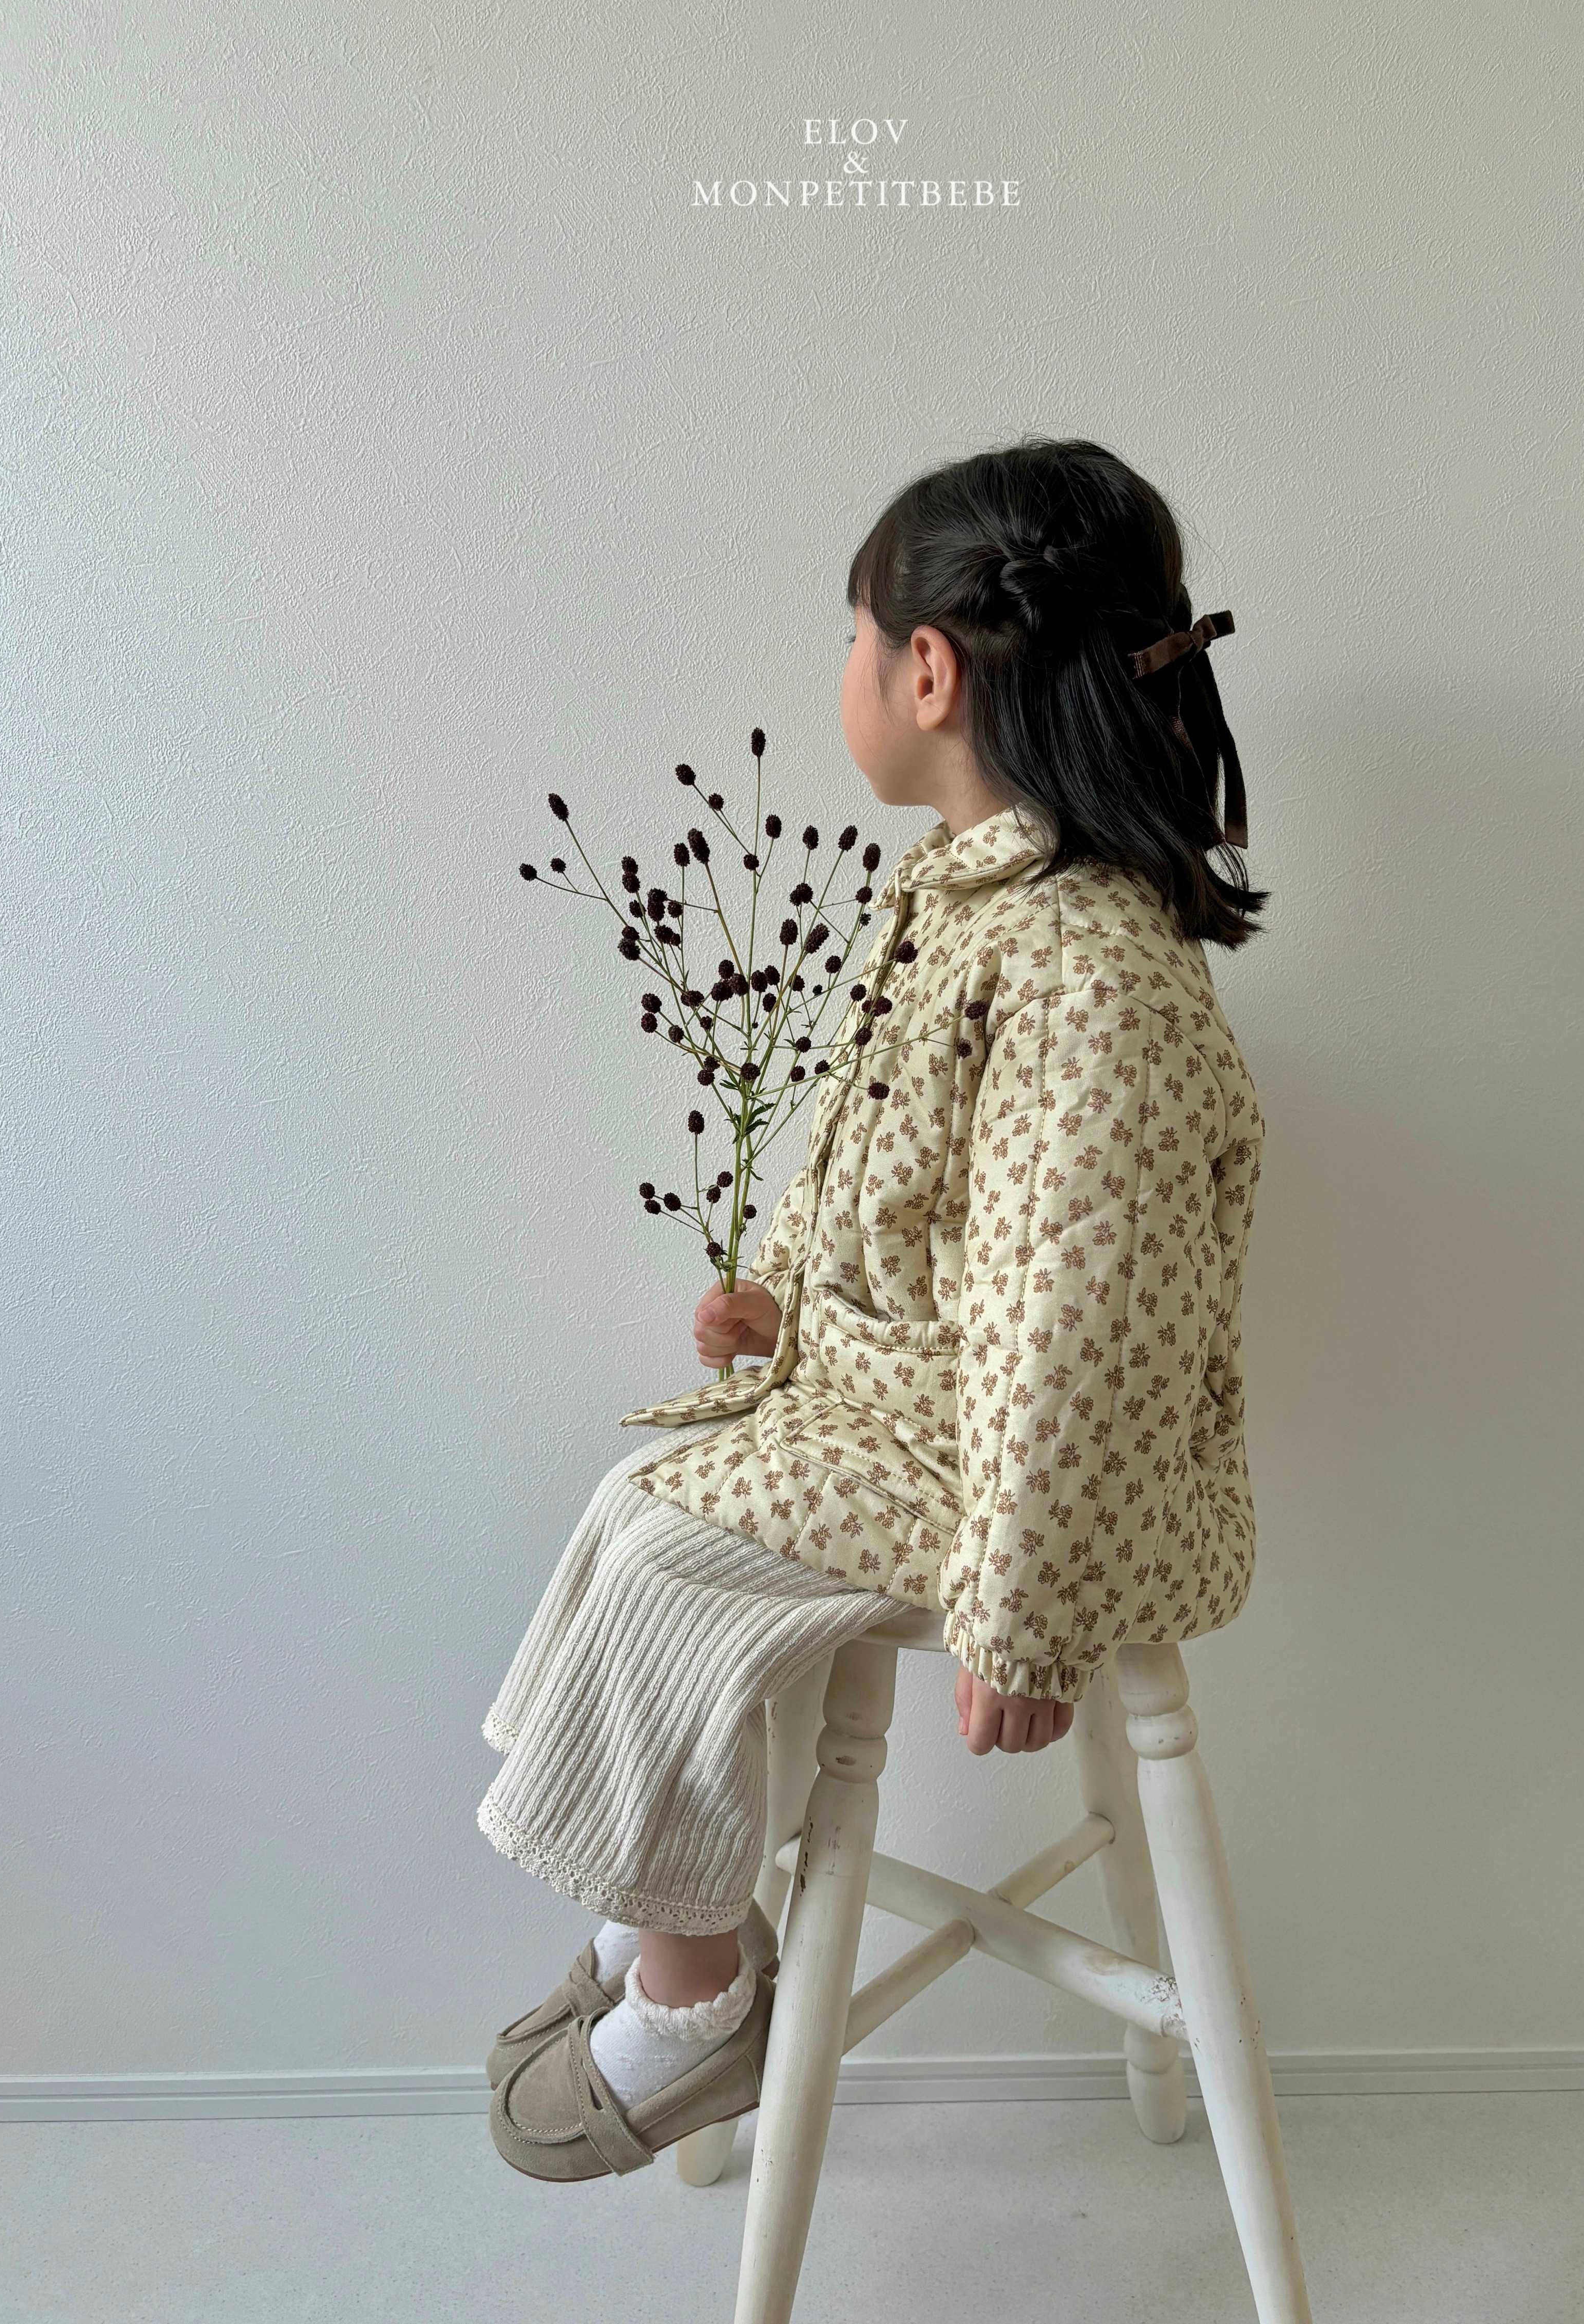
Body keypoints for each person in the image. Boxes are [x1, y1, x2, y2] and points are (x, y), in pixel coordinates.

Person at [477, 434, 1270, 2182]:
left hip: (1035, 1492)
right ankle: (665, 1901)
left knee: (671, 1565)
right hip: (917, 1416)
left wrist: (1028, 1610)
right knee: (635, 1507)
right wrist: (791, 1297)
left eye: (852, 635)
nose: (842, 669)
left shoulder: (1086, 969)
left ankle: (692, 1996)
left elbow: (1075, 1325)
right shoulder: (967, 897)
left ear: (927, 670)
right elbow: (892, 1157)